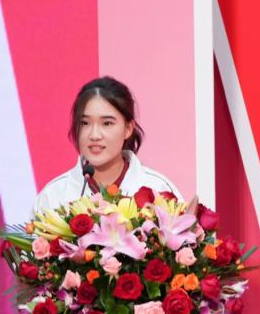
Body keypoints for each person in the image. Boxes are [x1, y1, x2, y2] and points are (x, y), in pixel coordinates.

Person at [34, 76, 182, 213]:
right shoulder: (53, 197)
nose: (94, 135)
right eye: (85, 123)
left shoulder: (158, 189)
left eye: (107, 123)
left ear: (128, 128)